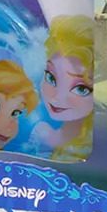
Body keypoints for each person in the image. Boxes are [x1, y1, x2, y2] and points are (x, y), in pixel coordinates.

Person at [31, 15, 95, 162]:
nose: (57, 97)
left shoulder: (86, 145)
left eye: (81, 89)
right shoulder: (42, 133)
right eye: (51, 78)